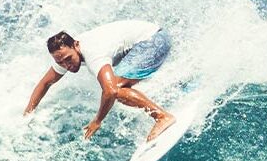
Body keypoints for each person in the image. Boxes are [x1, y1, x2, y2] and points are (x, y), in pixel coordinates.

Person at [23, 19, 175, 141]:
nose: (66, 66)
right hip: (150, 40)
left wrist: (97, 121)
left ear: (76, 45)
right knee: (119, 85)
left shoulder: (92, 53)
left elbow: (110, 91)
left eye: (68, 59)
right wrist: (28, 113)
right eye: (60, 62)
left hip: (153, 41)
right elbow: (45, 83)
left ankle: (162, 117)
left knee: (117, 90)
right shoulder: (65, 56)